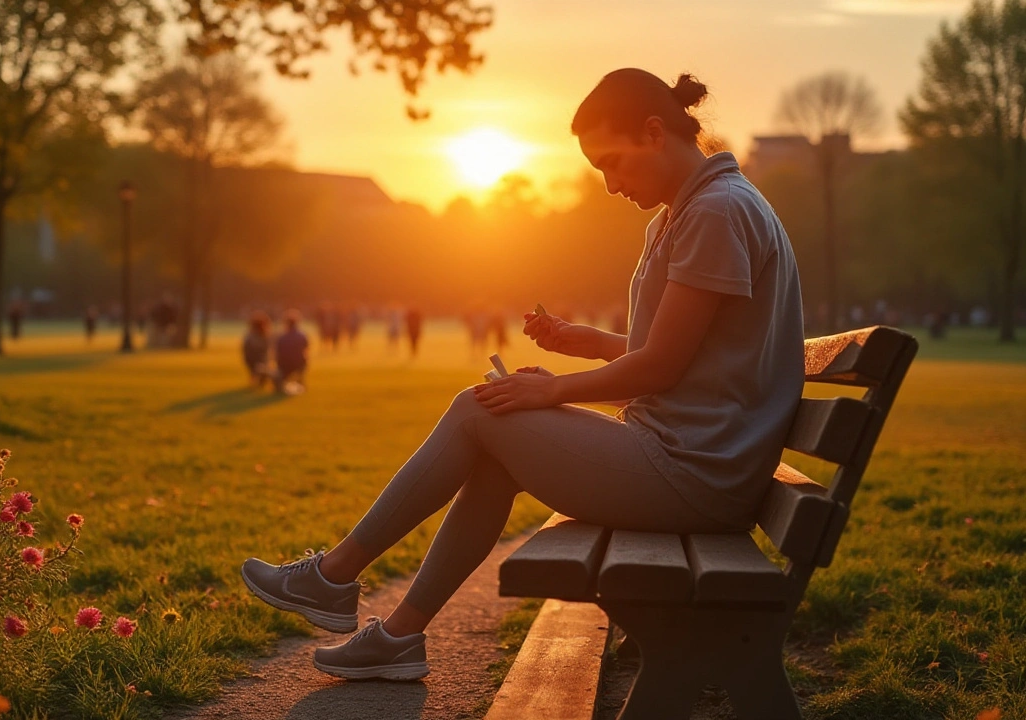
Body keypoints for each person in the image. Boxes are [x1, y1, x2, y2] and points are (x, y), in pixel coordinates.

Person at [240, 69, 805, 681]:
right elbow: (688, 354)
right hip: (695, 458)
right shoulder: (691, 210)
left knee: (479, 407)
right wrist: (588, 345)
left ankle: (332, 578)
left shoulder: (715, 211)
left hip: (696, 473)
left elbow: (664, 366)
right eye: (599, 170)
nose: (611, 184)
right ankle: (398, 635)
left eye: (613, 163)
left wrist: (554, 388)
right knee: (497, 431)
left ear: (653, 132)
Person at [273, 310, 309, 394]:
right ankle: (300, 381)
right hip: (299, 364)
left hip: (284, 365)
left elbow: (277, 353)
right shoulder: (302, 335)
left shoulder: (281, 337)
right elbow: (306, 349)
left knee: (278, 375)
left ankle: (284, 382)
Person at [242, 311, 273, 388]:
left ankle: (256, 381)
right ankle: (257, 381)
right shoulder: (256, 336)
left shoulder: (251, 335)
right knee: (261, 370)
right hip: (257, 358)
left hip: (253, 358)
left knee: (258, 370)